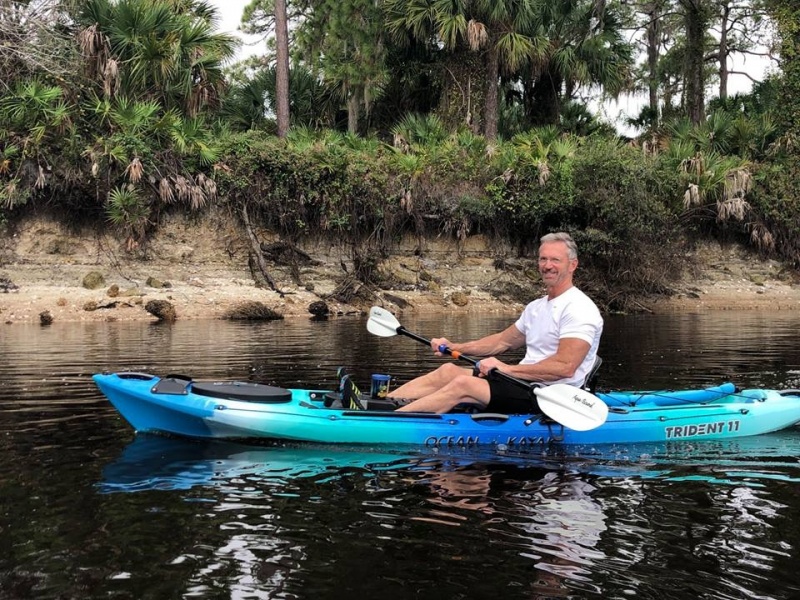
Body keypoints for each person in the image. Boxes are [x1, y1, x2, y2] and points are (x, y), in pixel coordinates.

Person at [390, 232, 603, 414]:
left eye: (555, 260)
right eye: (543, 259)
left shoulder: (579, 308)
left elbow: (565, 367)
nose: (547, 266)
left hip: (553, 396)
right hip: (524, 383)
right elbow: (502, 342)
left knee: (464, 384)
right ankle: (377, 405)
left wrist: (506, 369)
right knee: (448, 371)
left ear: (572, 265)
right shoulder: (536, 307)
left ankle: (388, 422)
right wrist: (456, 347)